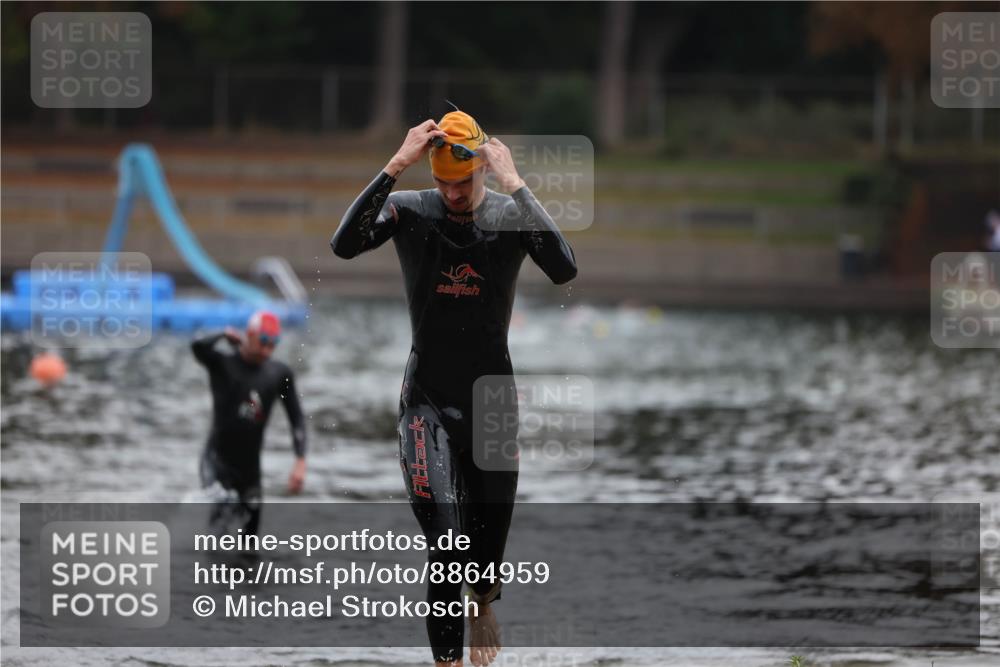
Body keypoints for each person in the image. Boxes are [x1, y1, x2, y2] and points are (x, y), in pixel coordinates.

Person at [331, 110, 577, 667]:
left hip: (492, 406)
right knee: (445, 545)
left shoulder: (510, 214)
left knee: (485, 561)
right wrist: (396, 165)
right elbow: (344, 245)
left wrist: (517, 184)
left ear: (482, 173)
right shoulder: (414, 210)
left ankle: (484, 603)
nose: (452, 194)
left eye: (462, 183)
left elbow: (564, 269)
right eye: (442, 182)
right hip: (428, 401)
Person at [191, 310, 307, 535]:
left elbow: (297, 418)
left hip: (250, 471)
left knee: (249, 543)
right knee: (219, 530)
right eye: (263, 341)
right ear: (250, 335)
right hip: (216, 462)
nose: (267, 350)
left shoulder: (278, 374)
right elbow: (197, 347)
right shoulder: (222, 363)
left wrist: (300, 460)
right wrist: (223, 335)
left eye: (273, 344)